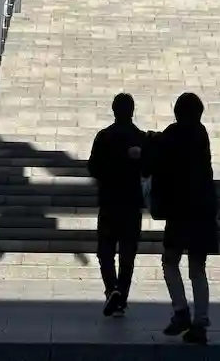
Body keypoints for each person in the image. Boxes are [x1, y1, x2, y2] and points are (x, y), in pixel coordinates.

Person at [149, 91, 217, 345]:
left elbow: (157, 153)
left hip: (180, 211)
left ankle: (181, 311)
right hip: (203, 211)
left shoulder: (174, 134)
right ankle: (201, 322)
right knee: (197, 268)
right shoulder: (201, 134)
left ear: (178, 112)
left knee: (170, 261)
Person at [87, 92, 147, 316]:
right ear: (132, 111)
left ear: (114, 111)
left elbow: (93, 168)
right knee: (128, 253)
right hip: (132, 203)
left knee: (105, 251)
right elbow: (149, 168)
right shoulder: (140, 138)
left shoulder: (104, 137)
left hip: (109, 201)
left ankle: (111, 288)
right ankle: (121, 295)